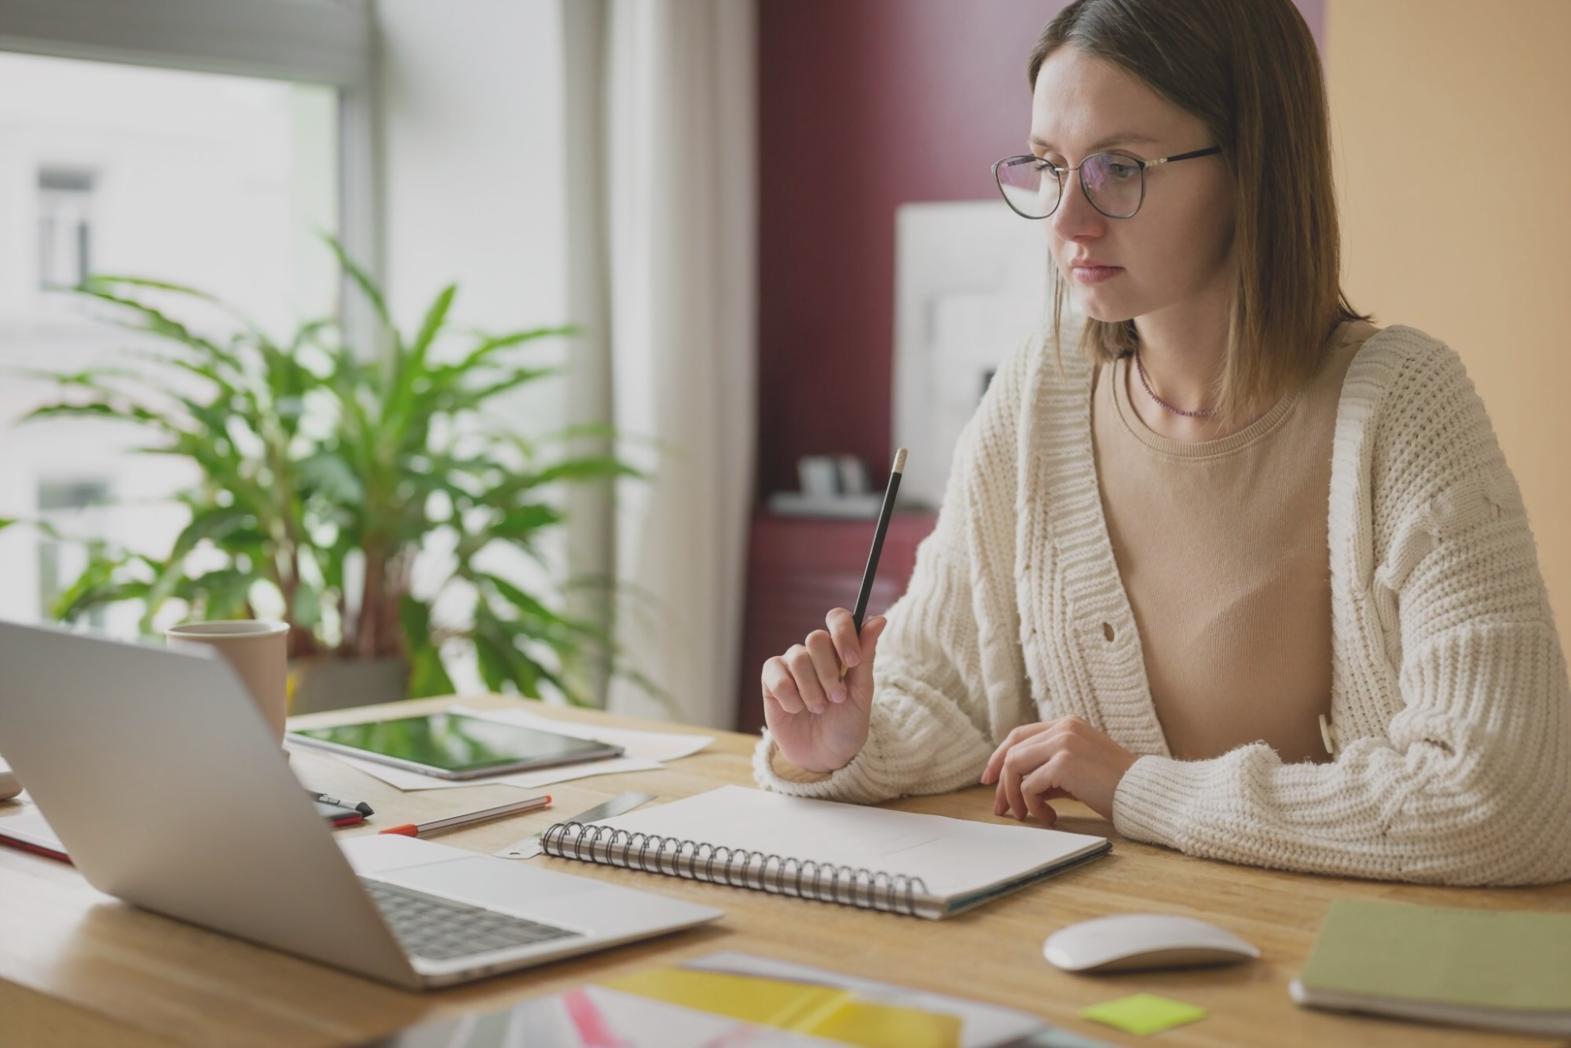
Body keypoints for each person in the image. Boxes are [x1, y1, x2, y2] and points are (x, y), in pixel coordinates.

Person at [752, 0, 1571, 886]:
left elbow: (1506, 800)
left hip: (1329, 975)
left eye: (1117, 168)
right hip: (1100, 960)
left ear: (1251, 164)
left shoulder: (1406, 408)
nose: (1067, 220)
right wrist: (844, 741)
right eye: (1047, 167)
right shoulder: (1039, 393)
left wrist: (1144, 789)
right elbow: (941, 687)